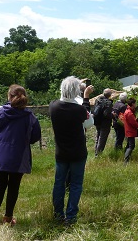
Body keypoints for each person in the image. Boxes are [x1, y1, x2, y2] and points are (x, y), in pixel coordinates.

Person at [0, 84, 41, 227]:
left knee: (0, 185)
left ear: (9, 96)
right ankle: (8, 218)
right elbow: (35, 137)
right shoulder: (30, 117)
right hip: (19, 157)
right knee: (13, 187)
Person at [49, 76, 94, 225]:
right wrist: (86, 98)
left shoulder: (53, 106)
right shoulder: (79, 109)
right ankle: (71, 217)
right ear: (77, 91)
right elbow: (89, 123)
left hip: (61, 152)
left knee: (59, 183)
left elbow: (63, 98)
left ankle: (58, 215)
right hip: (78, 152)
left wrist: (70, 84)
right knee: (75, 185)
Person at [93, 88, 114, 156]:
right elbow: (106, 114)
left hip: (97, 121)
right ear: (110, 95)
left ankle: (96, 151)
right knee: (102, 139)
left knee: (98, 137)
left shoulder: (98, 100)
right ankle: (98, 154)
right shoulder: (109, 102)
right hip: (105, 123)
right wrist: (112, 115)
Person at [124, 97, 138, 163]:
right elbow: (134, 123)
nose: (136, 104)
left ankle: (126, 157)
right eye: (135, 103)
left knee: (129, 145)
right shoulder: (129, 113)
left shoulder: (128, 111)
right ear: (133, 104)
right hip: (130, 131)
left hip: (128, 131)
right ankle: (126, 161)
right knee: (131, 146)